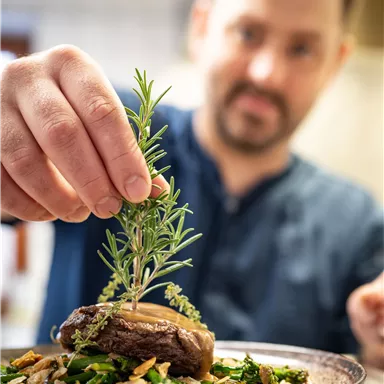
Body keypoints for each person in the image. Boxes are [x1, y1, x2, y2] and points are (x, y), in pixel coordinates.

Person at [1, 0, 383, 368]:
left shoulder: (358, 223)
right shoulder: (110, 137)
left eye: (301, 49)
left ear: (335, 63)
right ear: (201, 27)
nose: (267, 73)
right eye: (248, 33)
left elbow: (366, 357)